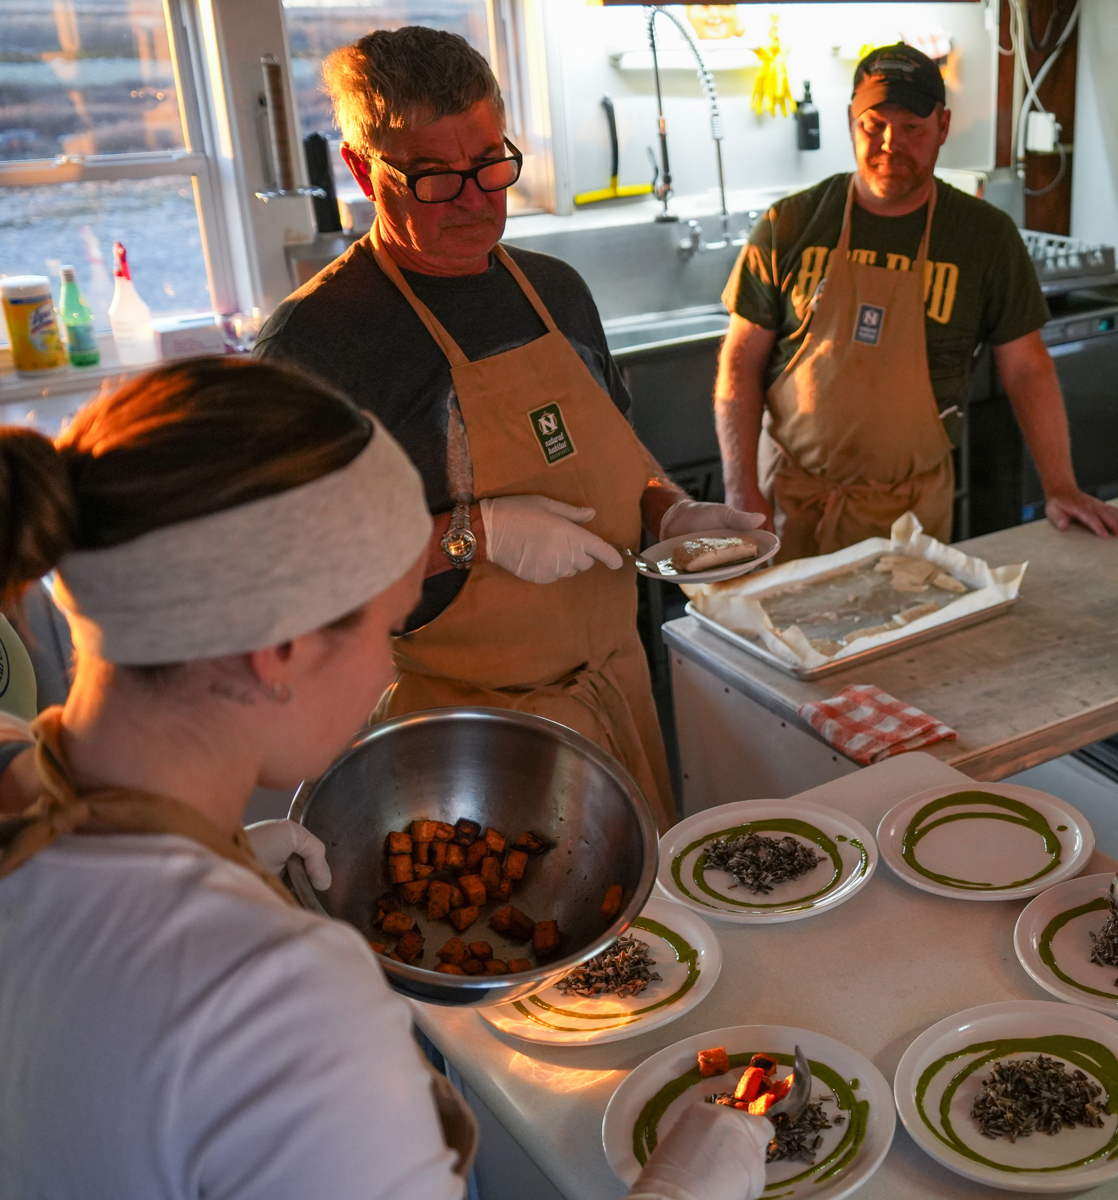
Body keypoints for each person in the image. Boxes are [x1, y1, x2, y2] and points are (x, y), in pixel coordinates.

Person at [0, 359, 773, 1200]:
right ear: (280, 649)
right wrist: (687, 1189)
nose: (387, 670)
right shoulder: (281, 1010)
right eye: (389, 628)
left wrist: (220, 863)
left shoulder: (22, 801)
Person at [257, 27, 757, 830]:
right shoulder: (317, 345)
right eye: (435, 178)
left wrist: (671, 514)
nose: (477, 199)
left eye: (492, 163)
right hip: (457, 741)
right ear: (361, 168)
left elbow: (619, 460)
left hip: (615, 694)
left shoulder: (553, 289)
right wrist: (473, 535)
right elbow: (284, 574)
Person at [715, 42, 1118, 558]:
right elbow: (739, 363)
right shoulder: (789, 224)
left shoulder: (984, 237)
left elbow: (1026, 367)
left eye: (912, 128)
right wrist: (740, 492)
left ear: (943, 126)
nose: (891, 143)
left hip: (911, 520)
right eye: (874, 125)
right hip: (790, 507)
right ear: (851, 121)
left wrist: (1061, 487)